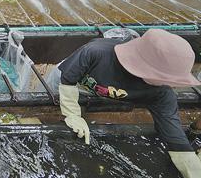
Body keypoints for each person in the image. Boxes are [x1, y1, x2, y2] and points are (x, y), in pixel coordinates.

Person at [52, 28, 201, 178]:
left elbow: (174, 137)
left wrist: (193, 168)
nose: (173, 85)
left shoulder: (161, 94)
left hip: (108, 94)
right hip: (72, 83)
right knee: (53, 109)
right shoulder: (96, 52)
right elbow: (67, 81)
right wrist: (72, 113)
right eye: (170, 79)